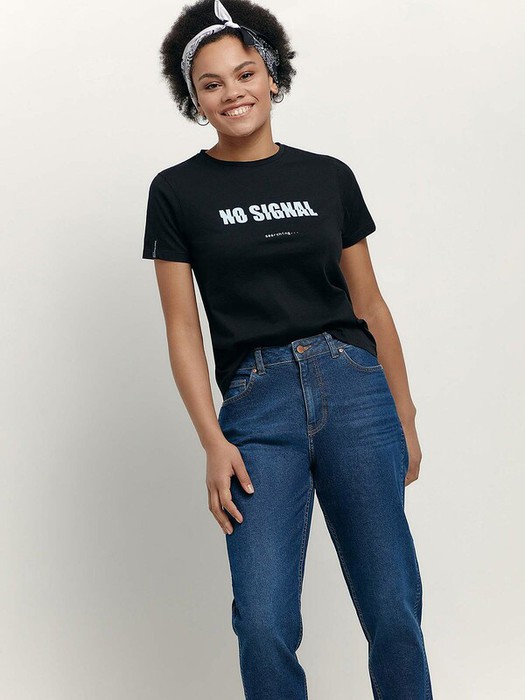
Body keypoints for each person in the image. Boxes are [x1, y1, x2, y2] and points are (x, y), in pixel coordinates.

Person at [142, 1, 434, 698]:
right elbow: (182, 327)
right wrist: (213, 440)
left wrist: (403, 413)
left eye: (245, 73)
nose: (232, 92)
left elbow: (369, 304)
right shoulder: (176, 192)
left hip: (354, 390)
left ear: (272, 76)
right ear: (193, 99)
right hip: (257, 403)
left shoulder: (327, 176)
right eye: (211, 83)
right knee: (264, 620)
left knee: (392, 608)